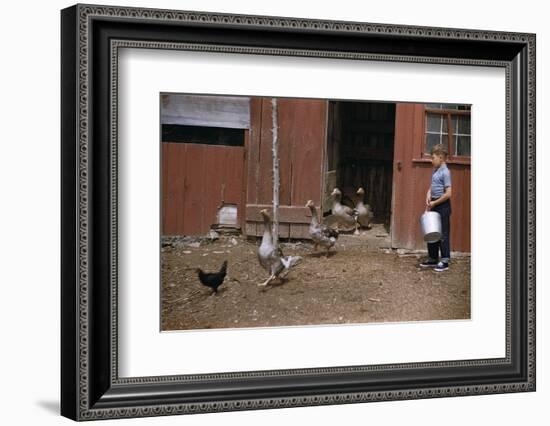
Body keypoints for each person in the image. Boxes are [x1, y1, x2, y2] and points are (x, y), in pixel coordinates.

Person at [420, 144, 452, 272]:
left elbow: (449, 193)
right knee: (431, 231)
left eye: (433, 158)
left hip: (442, 206)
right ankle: (433, 258)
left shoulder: (445, 172)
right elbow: (432, 186)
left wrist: (435, 202)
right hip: (433, 203)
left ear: (440, 158)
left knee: (443, 233)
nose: (431, 160)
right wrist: (428, 194)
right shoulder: (436, 170)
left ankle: (444, 260)